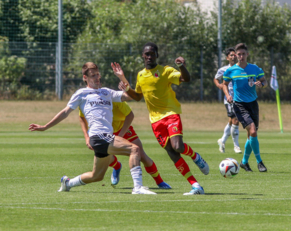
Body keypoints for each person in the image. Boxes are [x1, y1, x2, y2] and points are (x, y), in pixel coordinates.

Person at [29, 62, 156, 194]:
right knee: (134, 149)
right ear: (85, 78)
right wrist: (45, 126)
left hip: (104, 137)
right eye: (92, 75)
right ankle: (138, 188)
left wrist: (122, 78)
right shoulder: (81, 93)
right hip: (98, 136)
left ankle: (67, 183)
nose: (97, 78)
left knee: (97, 176)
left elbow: (132, 97)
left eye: (97, 74)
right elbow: (65, 112)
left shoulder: (106, 92)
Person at [111, 42, 209, 195]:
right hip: (155, 121)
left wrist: (182, 66)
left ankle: (195, 157)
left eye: (152, 53)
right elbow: (137, 97)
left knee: (178, 146)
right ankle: (195, 185)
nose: (149, 56)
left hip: (171, 114)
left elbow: (186, 79)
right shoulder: (141, 75)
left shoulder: (166, 71)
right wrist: (127, 88)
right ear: (143, 56)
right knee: (172, 152)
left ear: (157, 55)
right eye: (146, 54)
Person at [79, 95, 171, 189]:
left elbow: (130, 115)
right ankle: (117, 166)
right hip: (104, 132)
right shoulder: (86, 98)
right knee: (105, 158)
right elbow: (81, 116)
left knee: (141, 154)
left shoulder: (112, 97)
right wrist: (86, 137)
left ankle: (160, 182)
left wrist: (121, 134)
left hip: (123, 128)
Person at [222, 43, 268, 172]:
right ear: (236, 55)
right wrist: (228, 95)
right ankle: (260, 162)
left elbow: (265, 81)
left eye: (243, 54)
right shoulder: (230, 71)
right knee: (253, 131)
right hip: (239, 104)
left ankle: (244, 162)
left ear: (247, 54)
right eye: (239, 54)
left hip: (253, 104)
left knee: (251, 135)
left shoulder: (255, 68)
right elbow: (224, 84)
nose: (241, 56)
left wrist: (261, 84)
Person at [213, 47, 242, 154]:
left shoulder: (241, 68)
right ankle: (236, 146)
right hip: (229, 99)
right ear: (227, 58)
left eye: (235, 55)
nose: (233, 56)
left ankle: (222, 140)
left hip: (240, 98)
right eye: (231, 55)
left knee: (231, 121)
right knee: (236, 120)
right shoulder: (224, 69)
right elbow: (216, 78)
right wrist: (219, 85)